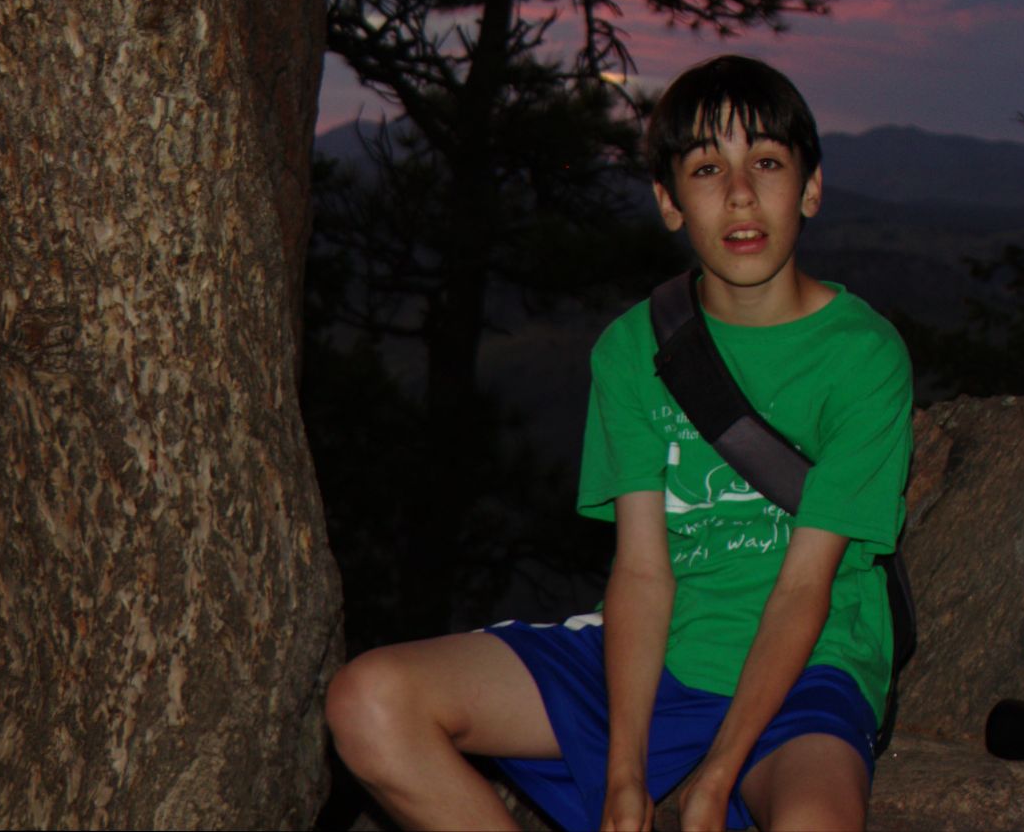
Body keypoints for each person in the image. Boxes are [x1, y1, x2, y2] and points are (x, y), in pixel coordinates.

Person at [325, 55, 913, 831]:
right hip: (658, 656)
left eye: (767, 162)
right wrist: (623, 773)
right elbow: (641, 567)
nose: (740, 193)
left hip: (806, 667)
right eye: (707, 169)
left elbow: (806, 588)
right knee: (369, 700)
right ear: (669, 202)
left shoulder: (862, 354)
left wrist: (718, 776)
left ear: (810, 186)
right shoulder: (636, 349)